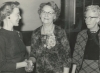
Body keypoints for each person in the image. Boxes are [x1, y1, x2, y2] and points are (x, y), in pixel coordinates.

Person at [29, 1, 71, 73]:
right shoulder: (35, 33)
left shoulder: (60, 32)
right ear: (40, 14)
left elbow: (66, 57)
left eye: (50, 13)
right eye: (44, 12)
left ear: (54, 16)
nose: (46, 15)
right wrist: (30, 61)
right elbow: (33, 54)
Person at [0, 1, 33, 73]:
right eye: (17, 14)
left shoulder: (18, 34)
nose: (20, 17)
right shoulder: (1, 37)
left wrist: (28, 63)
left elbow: (23, 56)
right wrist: (24, 64)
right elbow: (1, 66)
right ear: (7, 16)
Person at [72, 5, 100, 73]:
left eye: (91, 17)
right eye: (86, 17)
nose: (87, 20)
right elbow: (75, 58)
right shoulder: (81, 35)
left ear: (98, 19)